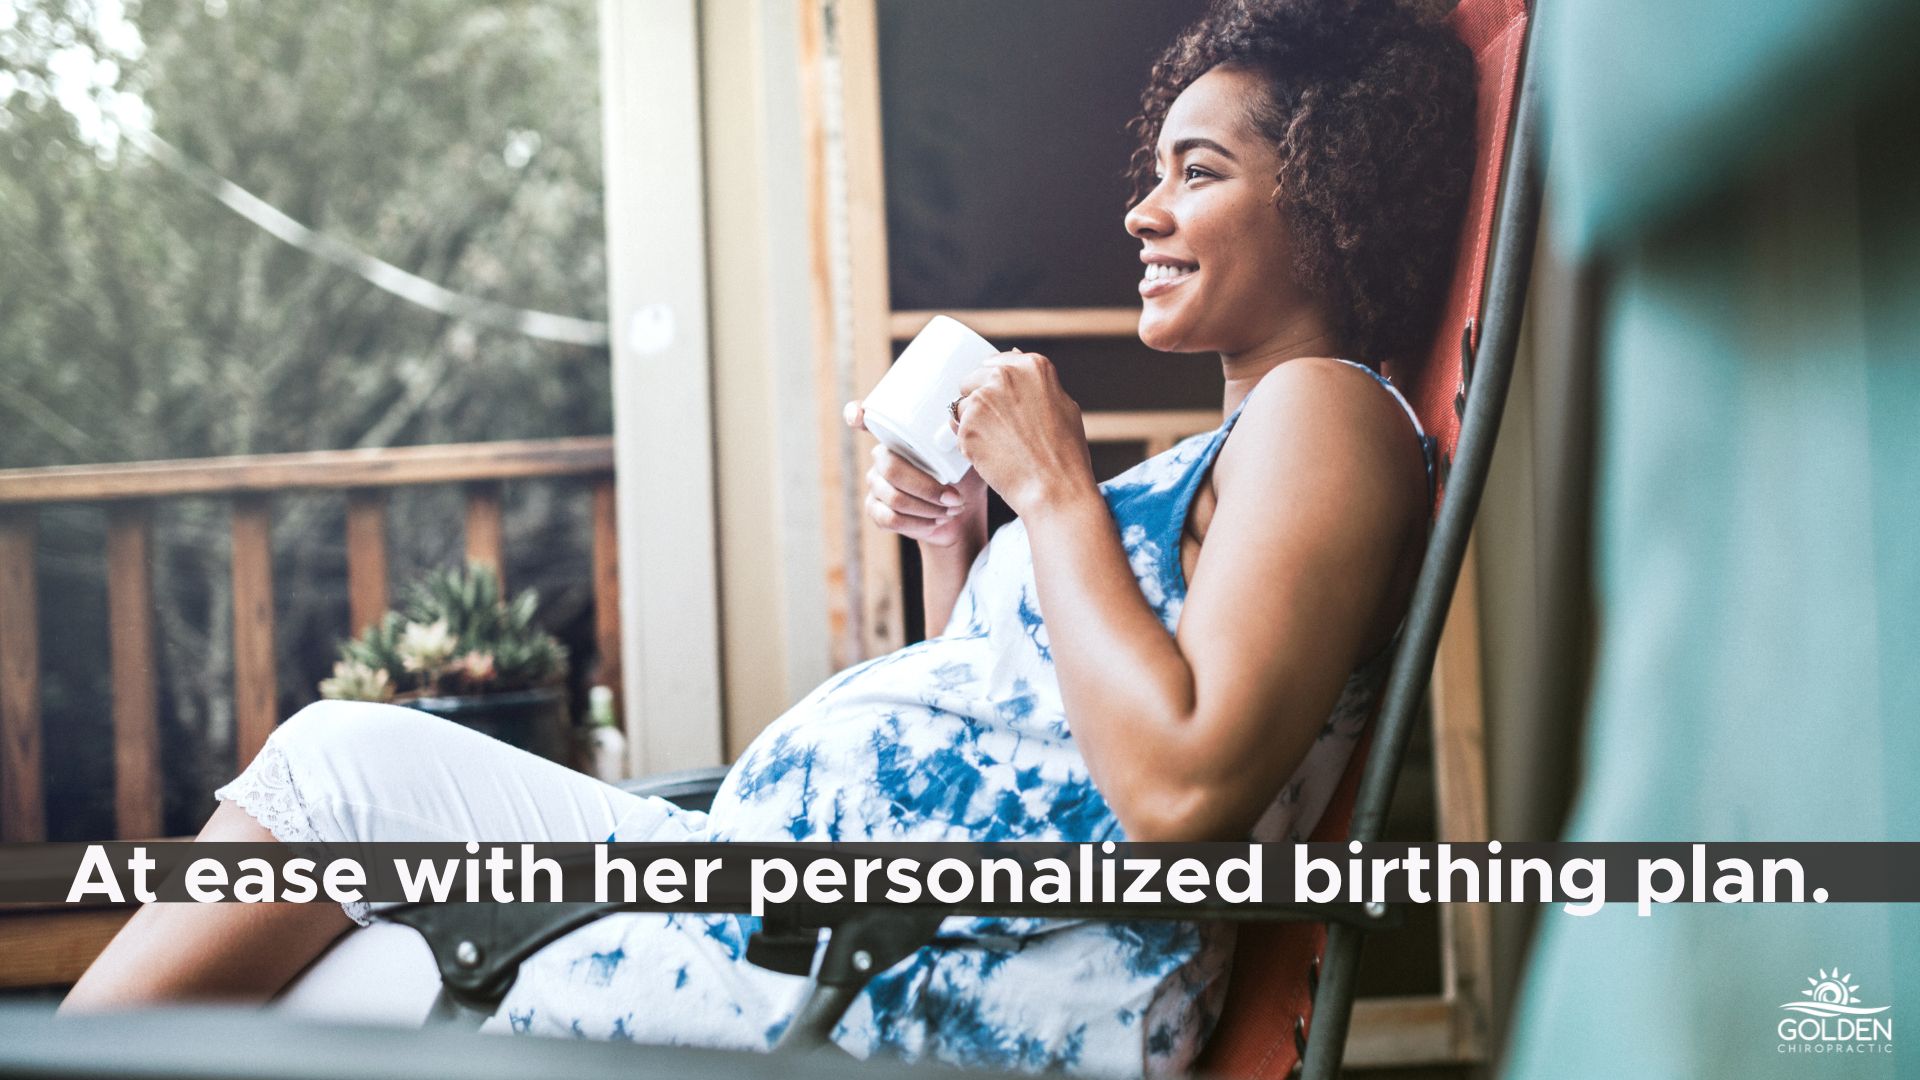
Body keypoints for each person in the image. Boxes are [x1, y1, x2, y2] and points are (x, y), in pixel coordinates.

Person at [60, 0, 1473, 1075]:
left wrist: (1055, 496)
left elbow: (1177, 803)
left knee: (337, 836)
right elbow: (1023, 744)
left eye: (1198, 172)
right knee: (332, 865)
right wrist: (966, 545)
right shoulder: (1237, 446)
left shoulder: (1328, 416)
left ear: (1331, 199)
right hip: (810, 915)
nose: (1142, 210)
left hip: (884, 975)